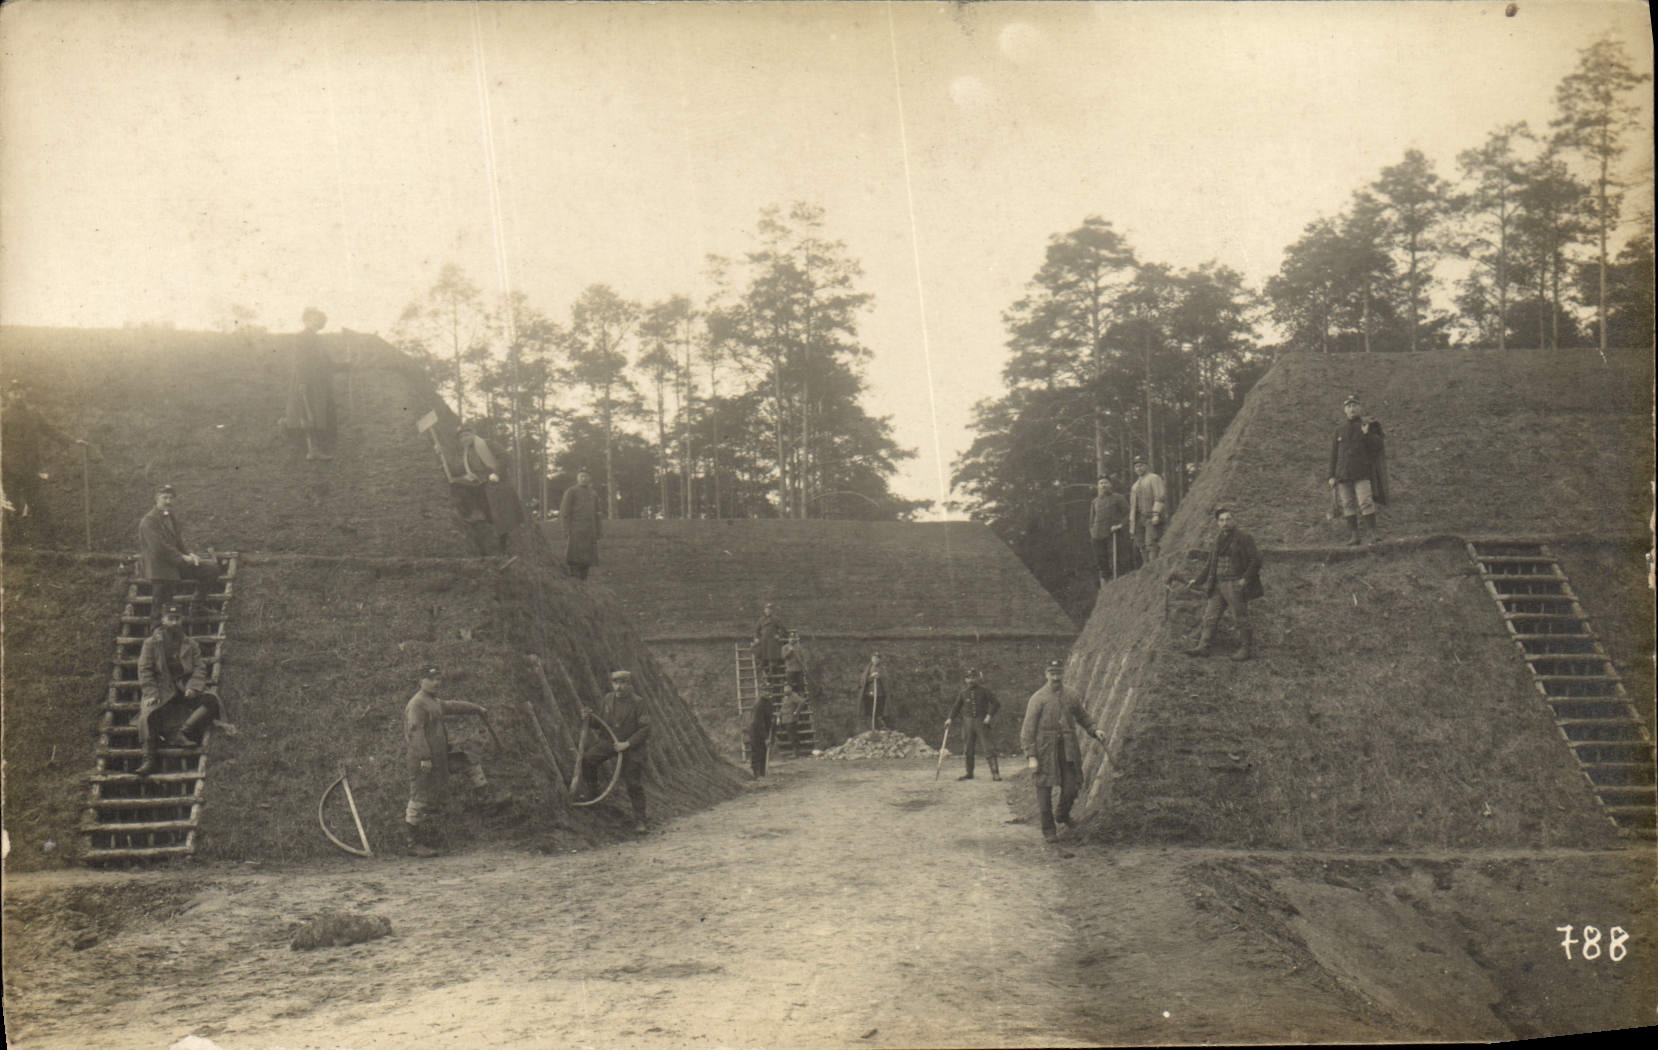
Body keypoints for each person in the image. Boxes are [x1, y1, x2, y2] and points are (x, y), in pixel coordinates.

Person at [403, 665, 502, 857]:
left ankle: (487, 802)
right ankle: (412, 843)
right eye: (431, 679)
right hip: (423, 761)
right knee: (419, 799)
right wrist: (424, 758)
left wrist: (476, 708)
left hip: (440, 758)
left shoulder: (433, 701)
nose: (436, 682)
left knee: (469, 761)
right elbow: (416, 732)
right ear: (420, 682)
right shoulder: (417, 704)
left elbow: (453, 706)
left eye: (438, 678)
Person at [135, 602, 225, 777]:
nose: (174, 623)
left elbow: (199, 668)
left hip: (183, 688)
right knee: (147, 716)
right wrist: (151, 693)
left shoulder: (190, 644)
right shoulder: (151, 643)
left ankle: (183, 732)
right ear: (163, 620)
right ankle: (148, 759)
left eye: (177, 619)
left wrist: (193, 687)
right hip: (161, 688)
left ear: (182, 620)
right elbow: (144, 669)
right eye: (170, 619)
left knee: (211, 701)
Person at [1020, 660, 1106, 843]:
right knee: (1044, 791)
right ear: (1046, 675)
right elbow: (1028, 730)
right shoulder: (1038, 698)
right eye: (1052, 674)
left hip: (1067, 749)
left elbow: (1082, 716)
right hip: (1044, 750)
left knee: (1071, 786)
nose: (1055, 677)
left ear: (1063, 674)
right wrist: (1031, 756)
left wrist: (1094, 729)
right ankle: (1049, 830)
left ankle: (1062, 814)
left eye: (1058, 673)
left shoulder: (1071, 695)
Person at [1183, 505, 1263, 661]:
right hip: (1218, 584)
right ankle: (1203, 647)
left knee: (1240, 616)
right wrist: (1198, 580)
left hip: (1234, 583)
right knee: (1210, 616)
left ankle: (1246, 649)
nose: (1225, 523)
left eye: (1228, 519)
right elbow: (1211, 563)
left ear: (1233, 520)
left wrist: (1245, 579)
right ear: (1217, 523)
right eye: (1221, 520)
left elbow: (1256, 559)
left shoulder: (1243, 537)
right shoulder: (1218, 539)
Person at [137, 484, 222, 630]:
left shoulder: (171, 518)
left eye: (171, 498)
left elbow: (178, 542)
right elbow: (159, 548)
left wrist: (189, 554)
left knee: (210, 569)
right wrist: (182, 557)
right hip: (160, 567)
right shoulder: (148, 521)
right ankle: (156, 633)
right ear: (156, 498)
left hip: (176, 563)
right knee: (163, 605)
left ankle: (197, 606)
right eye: (165, 497)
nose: (168, 501)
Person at [579, 669, 652, 833]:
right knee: (588, 760)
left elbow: (645, 729)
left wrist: (627, 744)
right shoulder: (608, 699)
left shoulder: (638, 703)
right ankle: (593, 794)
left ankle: (641, 820)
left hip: (631, 747)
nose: (619, 687)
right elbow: (600, 723)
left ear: (629, 684)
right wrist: (588, 718)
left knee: (633, 783)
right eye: (616, 683)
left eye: (623, 683)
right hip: (609, 742)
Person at [1, 379, 75, 526]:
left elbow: (51, 430)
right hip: (9, 468)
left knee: (38, 503)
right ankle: (12, 543)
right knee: (12, 503)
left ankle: (50, 543)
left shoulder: (34, 414)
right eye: (14, 392)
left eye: (20, 392)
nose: (18, 395)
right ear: (9, 394)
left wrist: (72, 441)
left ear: (25, 394)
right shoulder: (3, 415)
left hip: (30, 467)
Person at [281, 307, 346, 462]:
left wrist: (346, 365)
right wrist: (302, 382)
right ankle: (311, 450)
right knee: (307, 414)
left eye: (320, 319)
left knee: (317, 414)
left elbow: (327, 363)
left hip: (319, 384)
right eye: (314, 318)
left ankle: (315, 448)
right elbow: (300, 362)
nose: (319, 321)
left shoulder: (318, 339)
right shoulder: (302, 337)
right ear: (307, 319)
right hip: (307, 382)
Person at [454, 423, 526, 555]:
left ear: (473, 434)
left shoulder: (487, 444)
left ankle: (504, 548)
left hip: (498, 483)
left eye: (467, 435)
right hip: (482, 483)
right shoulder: (467, 453)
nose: (464, 438)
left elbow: (505, 457)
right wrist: (439, 453)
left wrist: (497, 473)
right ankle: (477, 513)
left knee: (501, 516)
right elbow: (458, 469)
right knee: (459, 485)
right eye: (461, 437)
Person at [1327, 394, 1388, 545]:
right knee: (1347, 504)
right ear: (1344, 410)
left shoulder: (1367, 426)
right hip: (1342, 475)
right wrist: (1331, 475)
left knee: (1365, 502)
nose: (1352, 409)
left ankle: (1372, 533)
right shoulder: (1339, 430)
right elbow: (1334, 454)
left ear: (1360, 408)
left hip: (1361, 473)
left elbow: (1378, 446)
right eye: (1348, 406)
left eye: (1355, 405)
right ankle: (1354, 536)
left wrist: (1367, 434)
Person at [945, 668, 1001, 781]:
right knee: (968, 749)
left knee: (988, 748)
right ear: (965, 679)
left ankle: (995, 773)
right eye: (968, 678)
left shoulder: (984, 691)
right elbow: (956, 707)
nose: (971, 680)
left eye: (973, 678)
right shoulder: (963, 693)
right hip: (968, 724)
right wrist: (950, 718)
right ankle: (969, 773)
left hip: (982, 723)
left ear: (977, 679)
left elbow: (996, 703)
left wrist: (989, 716)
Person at [558, 468, 603, 579]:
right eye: (581, 476)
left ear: (590, 478)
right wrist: (566, 528)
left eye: (586, 476)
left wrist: (598, 530)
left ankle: (583, 580)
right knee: (574, 556)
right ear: (577, 478)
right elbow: (565, 512)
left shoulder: (593, 493)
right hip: (576, 528)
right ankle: (574, 578)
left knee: (587, 557)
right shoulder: (571, 491)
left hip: (589, 530)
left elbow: (597, 513)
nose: (584, 478)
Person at [1088, 476, 1131, 582]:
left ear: (1110, 485)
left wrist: (1120, 525)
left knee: (1115, 558)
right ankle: (1107, 582)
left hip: (1113, 533)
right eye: (1101, 483)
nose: (1103, 485)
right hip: (1098, 535)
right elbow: (1091, 520)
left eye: (1105, 483)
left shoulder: (1118, 498)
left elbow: (1128, 514)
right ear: (1098, 486)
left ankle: (1118, 580)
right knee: (1101, 560)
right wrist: (1093, 531)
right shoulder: (1095, 501)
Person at [1128, 458, 1167, 565]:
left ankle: (1154, 566)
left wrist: (1156, 514)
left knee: (1151, 542)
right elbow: (1132, 506)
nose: (1139, 468)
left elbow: (1160, 496)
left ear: (1146, 466)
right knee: (1141, 545)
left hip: (1151, 516)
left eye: (1141, 465)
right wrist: (1132, 524)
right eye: (1136, 466)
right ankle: (1146, 568)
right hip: (1139, 518)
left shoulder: (1154, 478)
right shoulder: (1135, 485)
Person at [857, 651, 893, 731]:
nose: (875, 660)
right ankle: (870, 727)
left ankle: (879, 726)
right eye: (873, 658)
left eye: (877, 658)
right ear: (871, 659)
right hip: (869, 694)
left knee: (879, 710)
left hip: (880, 694)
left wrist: (880, 676)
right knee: (869, 710)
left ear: (879, 659)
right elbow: (863, 681)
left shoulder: (883, 668)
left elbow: (887, 679)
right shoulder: (868, 669)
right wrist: (871, 677)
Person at [752, 603, 789, 678]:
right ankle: (762, 665)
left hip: (772, 641)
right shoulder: (761, 620)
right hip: (763, 641)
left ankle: (771, 672)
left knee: (772, 658)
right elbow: (756, 630)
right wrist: (756, 638)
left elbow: (784, 629)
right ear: (764, 610)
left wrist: (779, 635)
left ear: (772, 611)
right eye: (766, 609)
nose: (768, 611)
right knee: (755, 650)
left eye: (769, 609)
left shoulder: (775, 619)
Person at [776, 686, 807, 758]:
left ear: (790, 690)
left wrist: (796, 711)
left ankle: (796, 752)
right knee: (789, 735)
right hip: (785, 719)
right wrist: (778, 717)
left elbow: (802, 702)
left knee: (793, 736)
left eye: (787, 691)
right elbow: (782, 708)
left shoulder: (794, 696)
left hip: (791, 719)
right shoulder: (785, 697)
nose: (785, 693)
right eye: (785, 691)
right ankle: (794, 751)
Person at [748, 690, 773, 778]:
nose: (768, 693)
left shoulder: (768, 702)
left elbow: (768, 717)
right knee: (757, 752)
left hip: (764, 730)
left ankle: (763, 773)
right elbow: (758, 722)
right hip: (756, 731)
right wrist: (765, 737)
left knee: (764, 752)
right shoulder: (759, 704)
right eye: (766, 691)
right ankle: (756, 773)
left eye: (769, 690)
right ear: (761, 693)